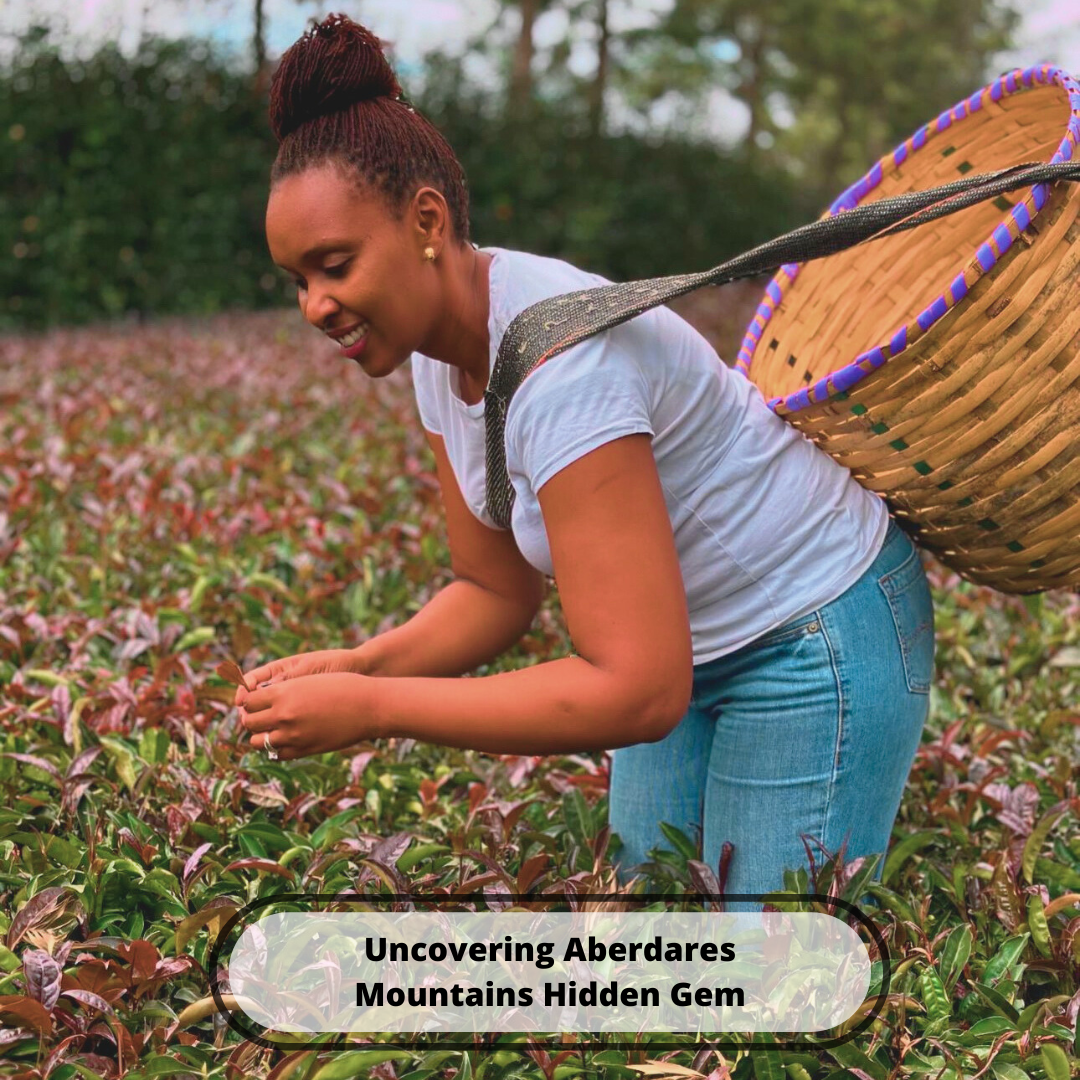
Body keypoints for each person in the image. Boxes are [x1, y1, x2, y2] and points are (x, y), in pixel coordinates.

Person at [238, 12, 936, 903]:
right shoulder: (434, 353)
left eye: (334, 265)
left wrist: (375, 710)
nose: (315, 305)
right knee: (649, 909)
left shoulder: (565, 370)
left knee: (763, 974)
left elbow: (636, 692)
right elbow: (493, 592)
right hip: (686, 648)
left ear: (425, 220)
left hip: (813, 630)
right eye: (299, 280)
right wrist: (358, 666)